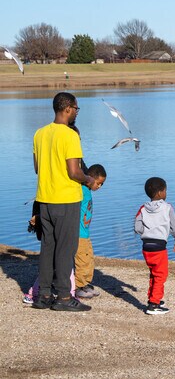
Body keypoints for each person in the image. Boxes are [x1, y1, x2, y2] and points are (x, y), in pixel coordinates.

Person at [32, 92, 96, 312]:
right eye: (76, 109)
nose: (77, 113)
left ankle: (44, 296)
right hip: (66, 199)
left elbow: (37, 168)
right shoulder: (70, 136)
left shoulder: (39, 134)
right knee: (65, 249)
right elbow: (73, 171)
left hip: (45, 199)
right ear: (68, 108)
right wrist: (88, 179)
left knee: (48, 247)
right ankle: (64, 298)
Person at [134, 177, 175, 315]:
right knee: (161, 275)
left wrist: (147, 232)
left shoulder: (142, 208)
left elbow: (137, 228)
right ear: (161, 193)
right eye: (165, 190)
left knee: (154, 273)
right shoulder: (167, 208)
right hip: (159, 247)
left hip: (146, 247)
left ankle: (154, 297)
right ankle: (153, 305)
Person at [74, 164, 107, 299]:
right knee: (82, 260)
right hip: (78, 233)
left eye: (102, 184)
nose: (99, 187)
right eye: (99, 183)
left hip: (85, 232)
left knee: (88, 259)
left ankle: (85, 283)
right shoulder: (81, 190)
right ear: (90, 179)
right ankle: (78, 287)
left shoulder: (87, 191)